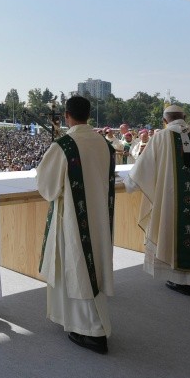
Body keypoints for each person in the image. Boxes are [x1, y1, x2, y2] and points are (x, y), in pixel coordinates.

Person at [36, 96, 116, 354]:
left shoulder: (64, 145)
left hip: (73, 217)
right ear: (88, 115)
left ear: (68, 116)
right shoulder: (103, 142)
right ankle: (72, 319)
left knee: (78, 267)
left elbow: (47, 187)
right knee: (86, 266)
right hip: (98, 216)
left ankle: (93, 331)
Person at [124, 105, 190, 296]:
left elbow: (141, 170)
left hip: (171, 198)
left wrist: (128, 185)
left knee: (174, 231)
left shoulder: (160, 138)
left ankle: (183, 282)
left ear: (165, 121)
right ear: (185, 117)